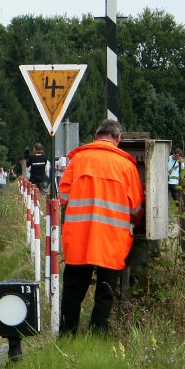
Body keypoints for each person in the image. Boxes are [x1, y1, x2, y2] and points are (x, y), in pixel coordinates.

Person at [58, 119, 144, 336]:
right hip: (112, 239)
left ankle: (67, 334)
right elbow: (135, 208)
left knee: (73, 290)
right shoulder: (126, 165)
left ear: (96, 136)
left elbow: (63, 196)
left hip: (80, 237)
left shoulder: (78, 159)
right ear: (118, 138)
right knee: (105, 291)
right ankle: (97, 334)